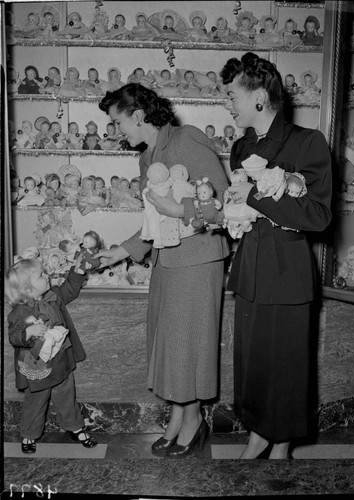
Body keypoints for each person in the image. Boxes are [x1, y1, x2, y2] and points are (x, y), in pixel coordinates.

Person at [96, 83, 229, 458]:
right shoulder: (146, 158)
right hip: (167, 260)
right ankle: (179, 418)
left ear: (138, 116)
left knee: (185, 341)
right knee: (170, 342)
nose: (117, 132)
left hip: (198, 259)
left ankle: (192, 422)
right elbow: (152, 223)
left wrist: (181, 211)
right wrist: (121, 251)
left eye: (118, 123)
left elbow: (221, 202)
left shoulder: (187, 140)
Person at [220, 52, 332, 459]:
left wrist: (254, 195)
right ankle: (258, 435)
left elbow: (319, 216)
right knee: (253, 364)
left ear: (260, 96)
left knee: (285, 365)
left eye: (232, 95)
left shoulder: (307, 143)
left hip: (287, 275)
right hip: (250, 269)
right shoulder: (240, 148)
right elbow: (242, 211)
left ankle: (280, 445)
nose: (228, 103)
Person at [5, 258, 97, 454]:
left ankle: (75, 427)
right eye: (41, 275)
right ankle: (29, 433)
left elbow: (69, 289)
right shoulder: (19, 313)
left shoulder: (53, 295)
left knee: (67, 396)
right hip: (37, 366)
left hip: (60, 360)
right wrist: (28, 333)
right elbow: (14, 336)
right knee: (36, 401)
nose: (46, 275)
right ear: (27, 288)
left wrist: (78, 272)